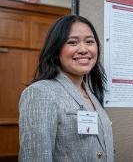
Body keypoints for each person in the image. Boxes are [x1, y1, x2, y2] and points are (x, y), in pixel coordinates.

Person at [19, 15, 114, 162]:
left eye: (89, 41)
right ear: (56, 50)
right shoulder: (40, 92)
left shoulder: (93, 94)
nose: (83, 49)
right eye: (72, 42)